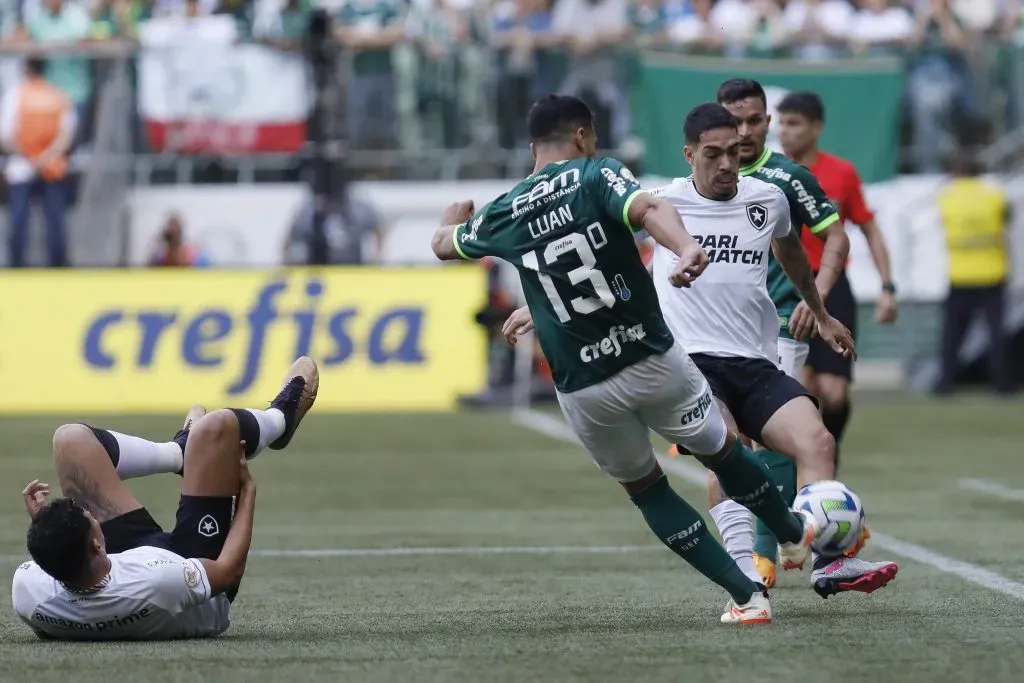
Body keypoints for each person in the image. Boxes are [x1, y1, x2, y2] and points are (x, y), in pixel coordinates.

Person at [433, 94, 821, 625]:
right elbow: (652, 209)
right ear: (581, 136)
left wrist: (451, 220)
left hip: (583, 384)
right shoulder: (597, 173)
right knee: (724, 451)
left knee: (646, 488)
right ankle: (793, 534)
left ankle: (746, 597)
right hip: (651, 357)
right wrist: (686, 247)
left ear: (532, 148)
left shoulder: (506, 209)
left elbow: (444, 245)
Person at [649, 103, 897, 600]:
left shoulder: (768, 198)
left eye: (735, 154)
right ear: (689, 154)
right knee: (730, 451)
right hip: (689, 362)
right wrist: (536, 306)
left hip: (753, 361)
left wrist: (821, 314)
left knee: (818, 441)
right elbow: (593, 249)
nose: (726, 164)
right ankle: (745, 575)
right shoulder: (659, 203)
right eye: (713, 154)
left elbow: (791, 252)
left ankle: (828, 564)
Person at [12, 358, 319, 641]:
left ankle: (179, 453)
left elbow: (51, 593)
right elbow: (228, 572)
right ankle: (280, 419)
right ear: (96, 543)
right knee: (215, 428)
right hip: (195, 570)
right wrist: (248, 493)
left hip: (120, 561)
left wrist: (47, 527)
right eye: (88, 517)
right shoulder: (159, 583)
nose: (90, 514)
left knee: (70, 441)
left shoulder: (31, 591)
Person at [714, 78, 860, 590]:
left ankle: (793, 556)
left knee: (784, 435)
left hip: (781, 324)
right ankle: (774, 549)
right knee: (737, 445)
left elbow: (834, 236)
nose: (747, 130)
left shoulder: (786, 177)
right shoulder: (693, 182)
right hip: (719, 336)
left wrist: (814, 299)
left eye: (756, 120)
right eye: (736, 120)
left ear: (767, 122)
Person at [776, 90, 899, 466]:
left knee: (834, 393)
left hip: (831, 285)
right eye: (781, 123)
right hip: (784, 286)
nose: (785, 132)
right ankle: (809, 463)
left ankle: (827, 455)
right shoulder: (768, 174)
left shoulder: (841, 173)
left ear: (816, 127)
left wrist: (887, 287)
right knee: (802, 386)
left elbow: (869, 229)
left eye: (794, 123)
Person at [934, 154, 1015, 395]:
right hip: (993, 272)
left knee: (952, 334)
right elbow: (1007, 218)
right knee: (997, 333)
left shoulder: (947, 196)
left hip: (961, 274)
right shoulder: (995, 195)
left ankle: (944, 382)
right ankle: (1002, 384)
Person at [0, 56, 75, 267]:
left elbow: (5, 135)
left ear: (26, 70)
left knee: (19, 222)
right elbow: (66, 136)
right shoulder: (58, 96)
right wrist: (45, 158)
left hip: (22, 166)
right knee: (54, 223)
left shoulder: (15, 96)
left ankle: (16, 269)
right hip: (51, 166)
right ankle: (58, 268)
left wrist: (31, 157)